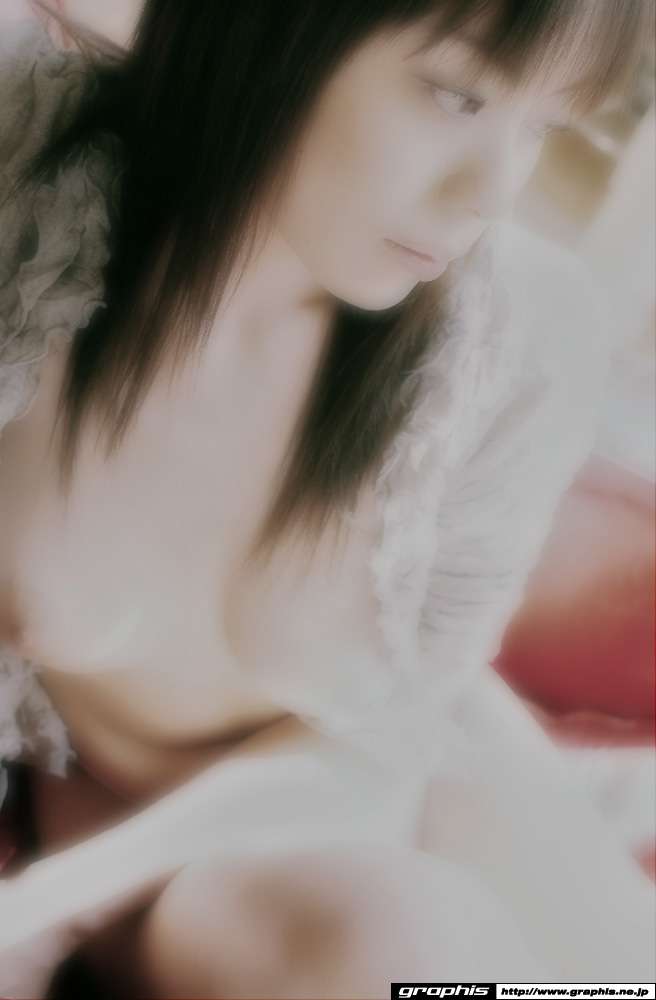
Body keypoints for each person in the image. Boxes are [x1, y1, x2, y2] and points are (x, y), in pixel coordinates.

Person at [0, 1, 654, 996]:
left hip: (386, 799)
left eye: (542, 128)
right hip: (198, 853)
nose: (493, 193)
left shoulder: (521, 344)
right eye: (455, 95)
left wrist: (49, 908)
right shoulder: (35, 182)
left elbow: (394, 738)